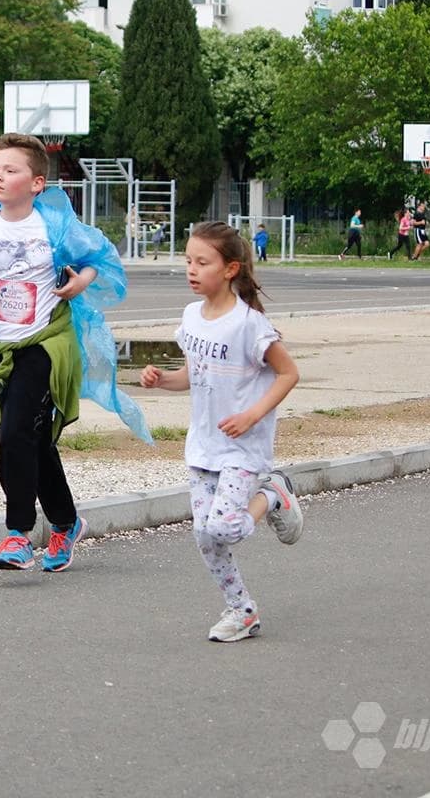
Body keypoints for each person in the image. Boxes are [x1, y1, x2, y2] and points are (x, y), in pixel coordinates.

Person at [0, 133, 151, 572]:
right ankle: (66, 523)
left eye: (11, 170)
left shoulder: (55, 226)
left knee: (14, 434)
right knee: (31, 436)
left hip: (49, 342)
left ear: (36, 183)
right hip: (2, 348)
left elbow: (100, 262)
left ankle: (17, 534)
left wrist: (81, 282)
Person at [139, 221, 302, 642]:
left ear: (230, 269)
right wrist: (162, 381)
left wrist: (252, 415)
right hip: (204, 445)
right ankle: (242, 611)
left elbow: (288, 373)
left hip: (243, 448)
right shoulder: (192, 317)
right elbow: (193, 375)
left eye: (202, 262)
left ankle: (274, 495)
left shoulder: (249, 325)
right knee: (204, 536)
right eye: (188, 261)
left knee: (225, 527)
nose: (191, 270)